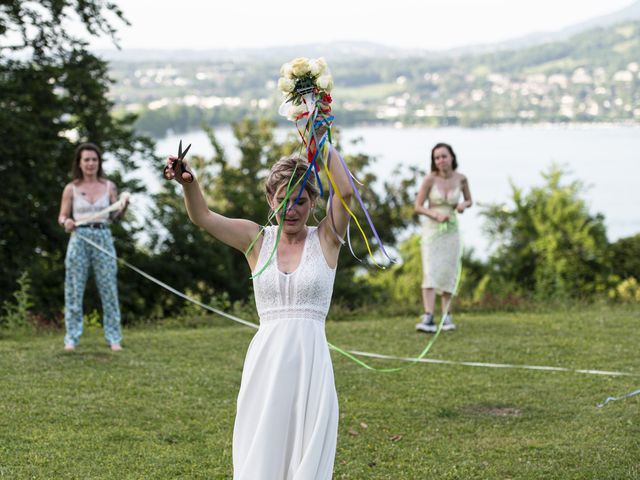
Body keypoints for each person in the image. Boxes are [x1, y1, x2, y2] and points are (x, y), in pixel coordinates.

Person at [164, 145, 353, 479]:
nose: (290, 209)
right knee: (261, 452)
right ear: (270, 199)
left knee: (305, 455)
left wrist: (322, 144)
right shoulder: (256, 240)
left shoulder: (327, 238)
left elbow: (347, 191)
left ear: (313, 202)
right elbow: (203, 217)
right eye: (282, 199)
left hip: (311, 365)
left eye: (300, 201)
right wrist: (188, 183)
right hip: (266, 365)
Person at [58, 143, 128, 351]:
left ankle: (114, 337)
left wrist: (124, 206)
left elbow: (115, 216)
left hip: (103, 237)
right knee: (74, 289)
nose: (90, 164)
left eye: (94, 160)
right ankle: (71, 338)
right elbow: (62, 216)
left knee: (108, 288)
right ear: (79, 163)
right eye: (86, 160)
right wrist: (66, 223)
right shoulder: (71, 188)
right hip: (79, 238)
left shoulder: (109, 187)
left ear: (99, 163)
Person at [414, 143, 472, 333]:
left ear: (452, 157)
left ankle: (446, 315)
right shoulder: (429, 179)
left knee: (449, 270)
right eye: (437, 158)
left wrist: (463, 205)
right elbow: (418, 206)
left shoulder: (461, 179)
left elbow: (469, 200)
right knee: (430, 269)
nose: (441, 160)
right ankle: (429, 316)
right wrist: (435, 215)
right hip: (432, 230)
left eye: (444, 156)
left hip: (452, 230)